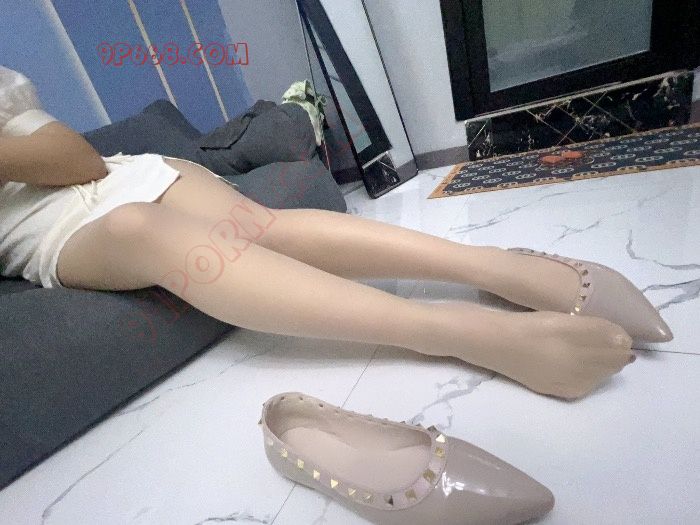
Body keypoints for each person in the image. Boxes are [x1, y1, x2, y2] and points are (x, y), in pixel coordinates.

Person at [0, 66, 670, 400]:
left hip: (115, 172)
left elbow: (75, 159)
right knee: (139, 226)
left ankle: (494, 265)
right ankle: (461, 332)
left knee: (261, 227)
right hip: (42, 226)